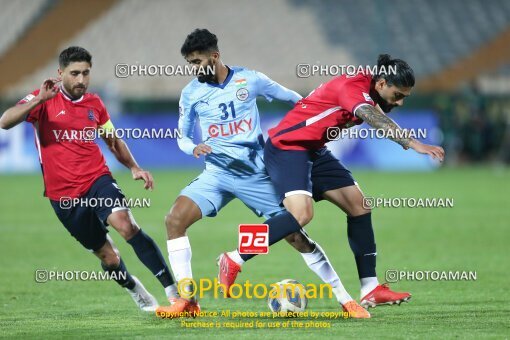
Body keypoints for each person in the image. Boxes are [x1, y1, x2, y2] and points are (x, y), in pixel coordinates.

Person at [156, 29, 369, 318]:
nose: (193, 69)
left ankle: (346, 300)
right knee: (174, 220)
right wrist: (192, 147)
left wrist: (315, 123)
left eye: (197, 62)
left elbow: (295, 100)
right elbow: (181, 136)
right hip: (217, 174)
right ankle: (187, 301)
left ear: (215, 56)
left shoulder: (250, 79)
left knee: (296, 235)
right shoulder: (191, 93)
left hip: (256, 173)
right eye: (189, 63)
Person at [221, 54, 445, 308]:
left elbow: (379, 111)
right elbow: (373, 117)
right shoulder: (352, 88)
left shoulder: (371, 86)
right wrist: (415, 144)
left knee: (359, 205)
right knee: (301, 215)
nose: (401, 102)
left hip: (314, 150)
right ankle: (235, 256)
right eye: (398, 95)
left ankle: (370, 287)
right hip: (288, 147)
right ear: (382, 83)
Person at [0, 46, 178, 312]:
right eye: (74, 74)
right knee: (108, 256)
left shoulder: (95, 104)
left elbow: (112, 140)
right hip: (63, 195)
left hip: (97, 179)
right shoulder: (42, 99)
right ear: (61, 73)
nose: (81, 80)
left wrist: (134, 167)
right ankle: (132, 287)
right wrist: (38, 100)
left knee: (126, 224)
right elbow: (5, 121)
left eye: (86, 73)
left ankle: (175, 294)